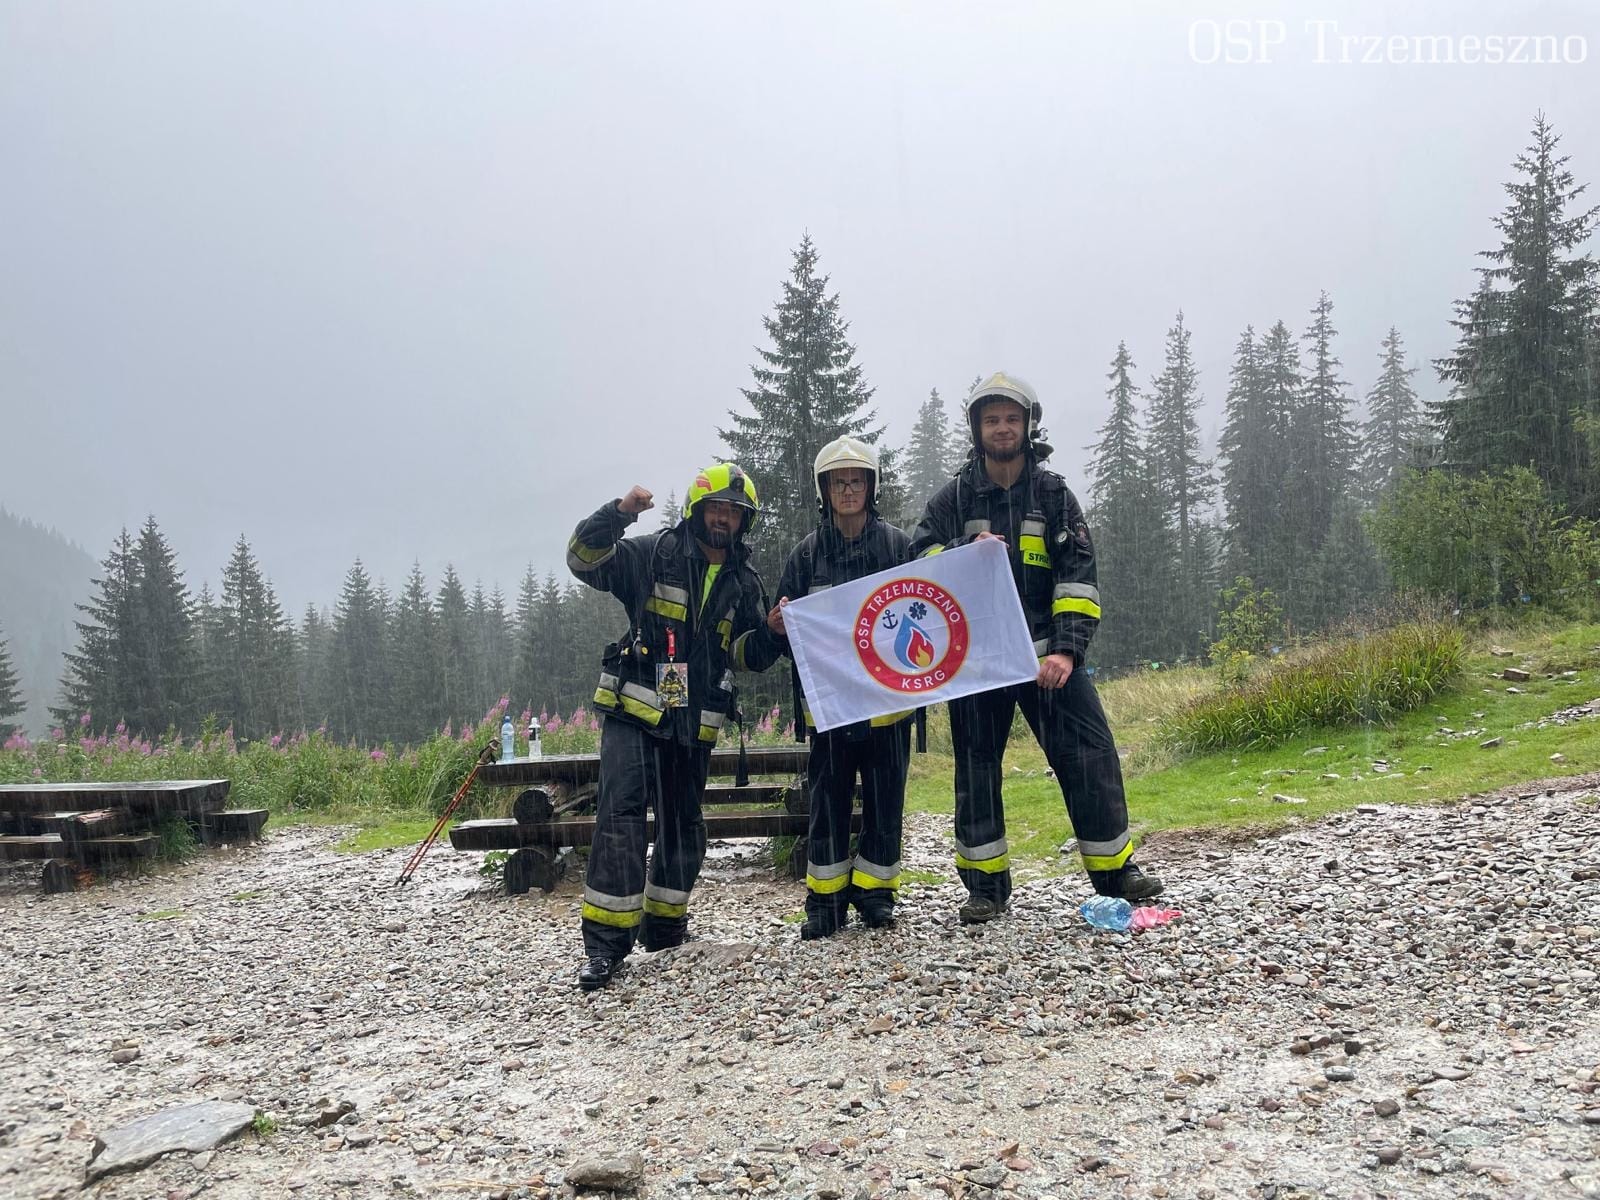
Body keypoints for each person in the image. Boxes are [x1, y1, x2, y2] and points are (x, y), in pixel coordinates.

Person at [908, 372, 1163, 924]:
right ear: (977, 428)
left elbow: (1079, 579)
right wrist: (960, 549)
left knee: (1090, 756)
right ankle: (985, 889)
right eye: (991, 419)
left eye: (1011, 419)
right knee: (976, 770)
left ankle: (1115, 871)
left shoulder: (1053, 495)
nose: (1002, 428)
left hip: (1049, 657)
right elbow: (917, 560)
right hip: (979, 662)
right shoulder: (953, 498)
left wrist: (1067, 653)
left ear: (1028, 426)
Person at [566, 463, 782, 990]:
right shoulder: (651, 554)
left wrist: (773, 634)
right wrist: (617, 515)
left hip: (694, 724)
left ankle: (664, 928)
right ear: (696, 510)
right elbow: (583, 560)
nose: (723, 518)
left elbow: (744, 656)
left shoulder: (744, 582)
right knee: (620, 818)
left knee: (684, 825)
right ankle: (605, 949)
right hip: (635, 714)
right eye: (716, 507)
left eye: (734, 511)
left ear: (743, 521)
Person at [765, 437, 913, 939]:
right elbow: (788, 635)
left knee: (885, 800)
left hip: (888, 705)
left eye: (856, 480)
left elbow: (923, 610)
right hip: (829, 709)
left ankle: (875, 896)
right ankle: (824, 906)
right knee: (826, 801)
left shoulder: (897, 546)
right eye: (837, 481)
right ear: (824, 490)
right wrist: (779, 628)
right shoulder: (806, 555)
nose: (847, 489)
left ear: (871, 486)